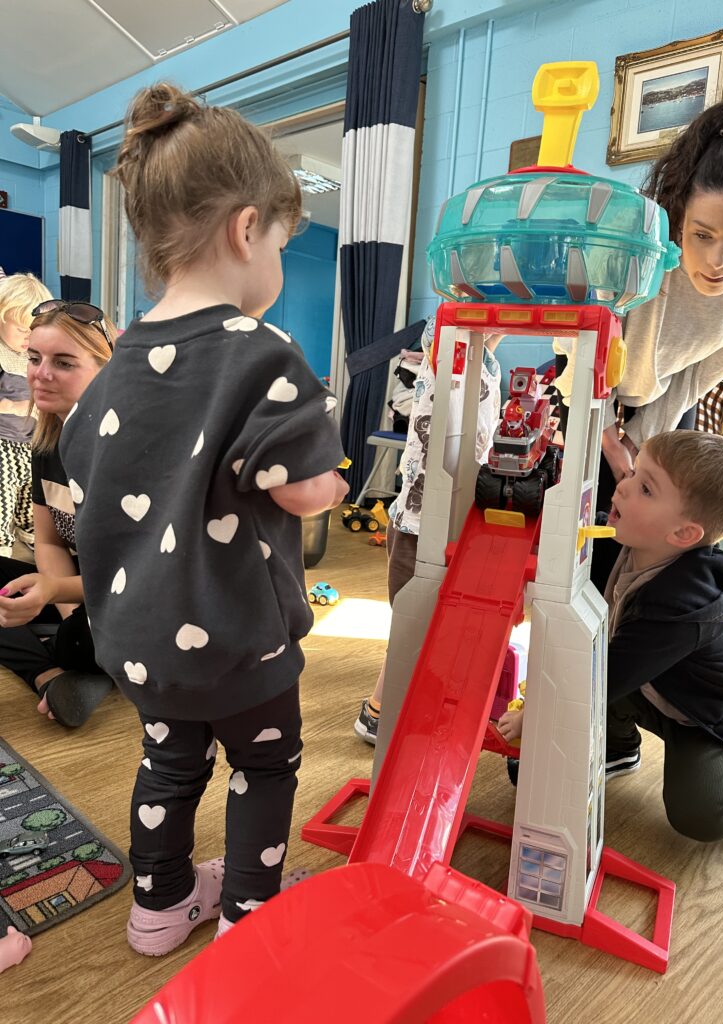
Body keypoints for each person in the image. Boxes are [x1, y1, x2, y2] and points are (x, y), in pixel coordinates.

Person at [59, 83, 349, 956]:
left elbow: (83, 469)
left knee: (170, 763)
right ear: (246, 228)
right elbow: (306, 491)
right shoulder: (264, 354)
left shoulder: (108, 374)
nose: (279, 266)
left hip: (142, 642)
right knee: (264, 765)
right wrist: (328, 481)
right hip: (239, 640)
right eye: (285, 246)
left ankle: (159, 908)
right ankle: (247, 917)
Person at [500, 430, 723, 842]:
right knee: (602, 671)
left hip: (703, 714)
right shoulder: (626, 539)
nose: (622, 487)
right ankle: (619, 746)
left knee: (701, 816)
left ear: (682, 534)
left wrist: (534, 714)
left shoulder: (679, 607)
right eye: (633, 470)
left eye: (645, 487)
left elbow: (602, 677)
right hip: (645, 684)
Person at [554, 96, 723, 519]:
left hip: (670, 393)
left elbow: (700, 370)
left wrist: (642, 439)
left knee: (650, 530)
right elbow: (580, 335)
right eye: (702, 234)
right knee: (576, 532)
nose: (719, 262)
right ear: (680, 209)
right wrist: (609, 438)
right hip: (589, 381)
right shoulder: (630, 232)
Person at [355, 315, 503, 743]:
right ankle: (379, 712)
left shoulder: (486, 365)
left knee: (436, 623)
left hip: (452, 522)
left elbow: (492, 336)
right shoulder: (447, 358)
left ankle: (415, 695)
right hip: (419, 526)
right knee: (411, 624)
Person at [0, 303, 115, 727]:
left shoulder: (126, 455)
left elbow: (142, 578)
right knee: (71, 637)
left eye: (63, 363)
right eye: (34, 358)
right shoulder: (47, 444)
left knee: (79, 640)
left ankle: (64, 663)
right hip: (76, 594)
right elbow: (48, 541)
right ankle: (50, 675)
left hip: (131, 603)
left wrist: (55, 593)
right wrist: (63, 604)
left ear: (104, 372)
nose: (40, 373)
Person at [0, 273, 52, 556]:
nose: (27, 336)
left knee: (30, 498)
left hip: (31, 442)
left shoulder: (35, 355)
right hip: (3, 443)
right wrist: (14, 406)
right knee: (3, 497)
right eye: (20, 328)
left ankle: (28, 534)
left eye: (32, 329)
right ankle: (3, 545)